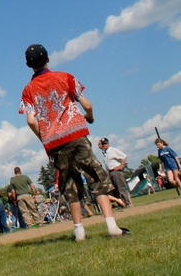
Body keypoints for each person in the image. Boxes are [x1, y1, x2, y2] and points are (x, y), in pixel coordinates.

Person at [19, 44, 128, 242]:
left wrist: (44, 137)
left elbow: (31, 120)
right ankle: (112, 225)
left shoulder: (28, 90)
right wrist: (89, 116)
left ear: (28, 64)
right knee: (95, 176)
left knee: (69, 183)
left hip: (54, 142)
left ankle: (79, 231)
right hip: (76, 133)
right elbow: (87, 105)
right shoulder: (65, 77)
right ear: (48, 59)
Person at [97, 138, 132, 207]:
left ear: (108, 143)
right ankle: (121, 204)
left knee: (121, 188)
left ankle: (127, 203)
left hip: (116, 171)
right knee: (115, 189)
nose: (104, 145)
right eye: (103, 144)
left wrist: (120, 166)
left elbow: (124, 156)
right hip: (110, 172)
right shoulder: (104, 152)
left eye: (105, 144)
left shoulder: (113, 150)